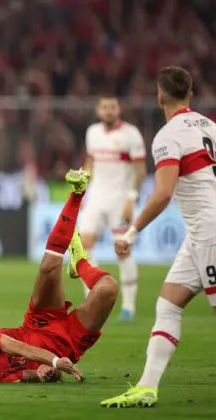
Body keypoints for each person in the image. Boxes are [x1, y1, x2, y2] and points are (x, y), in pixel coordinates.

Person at [101, 66, 216, 408]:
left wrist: (131, 231)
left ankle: (146, 386)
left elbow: (162, 194)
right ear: (191, 94)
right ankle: (146, 387)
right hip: (205, 232)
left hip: (213, 232)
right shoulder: (206, 124)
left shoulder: (167, 137)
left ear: (159, 96)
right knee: (168, 303)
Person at [0, 169, 119, 383]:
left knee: (49, 266)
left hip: (39, 323)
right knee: (108, 287)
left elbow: (19, 347)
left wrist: (55, 362)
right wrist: (45, 373)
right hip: (71, 344)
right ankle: (81, 265)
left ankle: (77, 194)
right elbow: (29, 374)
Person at [79, 95, 147, 320]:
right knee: (83, 246)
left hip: (120, 200)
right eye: (104, 107)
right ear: (99, 111)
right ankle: (92, 299)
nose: (109, 111)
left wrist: (131, 198)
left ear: (119, 109)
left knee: (123, 249)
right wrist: (84, 188)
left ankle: (128, 307)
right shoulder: (92, 133)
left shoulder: (131, 134)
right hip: (97, 197)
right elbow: (90, 163)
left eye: (113, 107)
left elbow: (140, 171)